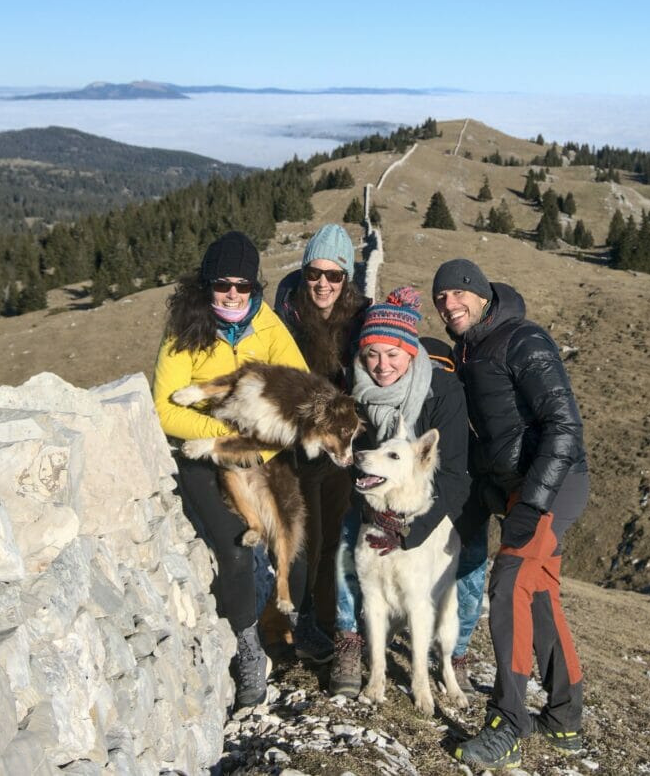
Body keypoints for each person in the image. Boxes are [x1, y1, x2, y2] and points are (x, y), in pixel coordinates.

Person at [152, 230, 333, 709]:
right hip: (204, 455)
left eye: (244, 286)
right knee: (236, 552)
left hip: (261, 454)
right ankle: (250, 650)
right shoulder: (183, 331)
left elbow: (298, 396)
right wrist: (223, 440)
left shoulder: (269, 328)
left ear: (255, 288)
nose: (233, 294)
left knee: (291, 539)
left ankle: (296, 623)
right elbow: (165, 408)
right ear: (206, 285)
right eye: (223, 284)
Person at [431, 259, 590, 769]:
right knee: (539, 593)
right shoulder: (468, 349)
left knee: (509, 586)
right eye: (441, 299)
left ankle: (508, 722)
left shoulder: (523, 339)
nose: (449, 304)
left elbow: (564, 426)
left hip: (552, 486)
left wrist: (534, 502)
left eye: (458, 294)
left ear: (481, 296)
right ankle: (564, 717)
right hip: (518, 492)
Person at [329, 286, 488, 697]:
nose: (381, 366)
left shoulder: (442, 392)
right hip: (376, 499)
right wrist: (375, 515)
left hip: (438, 501)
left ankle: (454, 656)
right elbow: (352, 459)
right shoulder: (356, 395)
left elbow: (455, 474)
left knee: (467, 566)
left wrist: (413, 532)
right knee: (348, 547)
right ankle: (350, 641)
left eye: (392, 354)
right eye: (372, 355)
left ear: (411, 352)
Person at [274, 224, 370, 632]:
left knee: (332, 538)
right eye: (314, 273)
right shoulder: (288, 312)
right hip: (294, 448)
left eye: (334, 275)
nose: (323, 284)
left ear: (345, 278)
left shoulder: (361, 318)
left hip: (339, 450)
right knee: (299, 539)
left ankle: (326, 623)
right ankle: (291, 620)